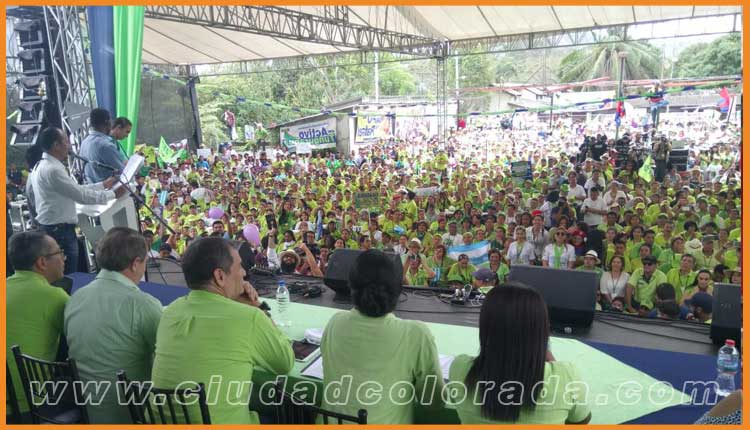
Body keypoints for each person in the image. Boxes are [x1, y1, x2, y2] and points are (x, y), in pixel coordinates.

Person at [151, 237, 293, 424]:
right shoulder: (249, 317)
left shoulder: (170, 312)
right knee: (287, 412)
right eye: (240, 266)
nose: (244, 273)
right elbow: (284, 362)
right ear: (220, 276)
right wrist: (257, 307)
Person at [320, 250, 444, 423]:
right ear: (397, 290)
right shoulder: (416, 334)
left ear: (351, 287)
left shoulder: (335, 322)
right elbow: (434, 402)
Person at [448, 283, 591, 424]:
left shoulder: (460, 368)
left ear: (486, 325)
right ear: (541, 330)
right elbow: (581, 420)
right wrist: (547, 356)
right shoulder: (566, 375)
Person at [64, 227, 161, 423]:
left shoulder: (76, 297)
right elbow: (169, 355)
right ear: (135, 264)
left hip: (89, 409)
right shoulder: (142, 303)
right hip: (133, 413)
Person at [28, 127, 125, 274]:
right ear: (56, 145)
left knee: (63, 273)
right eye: (66, 142)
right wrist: (113, 194)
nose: (69, 146)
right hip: (59, 230)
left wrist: (103, 185)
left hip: (54, 227)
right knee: (67, 274)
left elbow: (75, 189)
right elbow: (81, 196)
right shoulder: (53, 169)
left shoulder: (42, 165)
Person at [6, 231, 69, 414]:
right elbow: (83, 340)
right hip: (30, 404)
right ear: (42, 262)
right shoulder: (53, 296)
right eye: (59, 252)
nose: (64, 258)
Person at [80, 108, 126, 184]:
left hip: (92, 190)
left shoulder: (84, 142)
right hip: (109, 193)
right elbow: (123, 173)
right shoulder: (106, 145)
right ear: (107, 122)